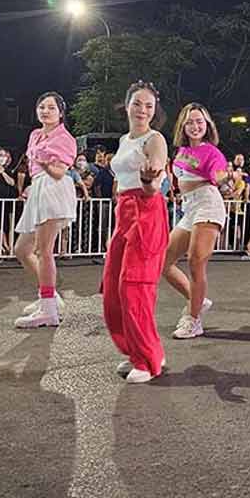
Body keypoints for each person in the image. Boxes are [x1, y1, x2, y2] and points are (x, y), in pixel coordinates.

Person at [100, 82, 170, 384]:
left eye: (149, 106)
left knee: (135, 287)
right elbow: (121, 181)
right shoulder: (124, 140)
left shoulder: (156, 140)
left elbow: (154, 185)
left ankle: (147, 359)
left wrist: (147, 181)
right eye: (137, 104)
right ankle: (139, 350)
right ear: (126, 105)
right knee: (113, 289)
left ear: (154, 112)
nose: (142, 110)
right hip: (124, 213)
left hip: (147, 210)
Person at [12, 92, 79, 329]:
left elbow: (59, 172)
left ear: (61, 113)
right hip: (39, 187)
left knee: (44, 250)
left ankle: (48, 310)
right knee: (22, 249)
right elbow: (33, 168)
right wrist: (33, 183)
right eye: (42, 107)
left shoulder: (65, 138)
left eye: (51, 108)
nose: (45, 111)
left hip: (54, 188)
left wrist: (42, 165)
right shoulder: (35, 134)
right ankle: (48, 295)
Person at [164, 103, 230, 339]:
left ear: (207, 125)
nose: (195, 126)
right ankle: (197, 301)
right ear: (183, 125)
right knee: (164, 262)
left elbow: (220, 175)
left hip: (208, 206)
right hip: (189, 210)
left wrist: (224, 179)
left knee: (195, 261)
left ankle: (193, 320)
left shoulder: (211, 152)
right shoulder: (181, 153)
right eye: (190, 122)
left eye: (199, 121)